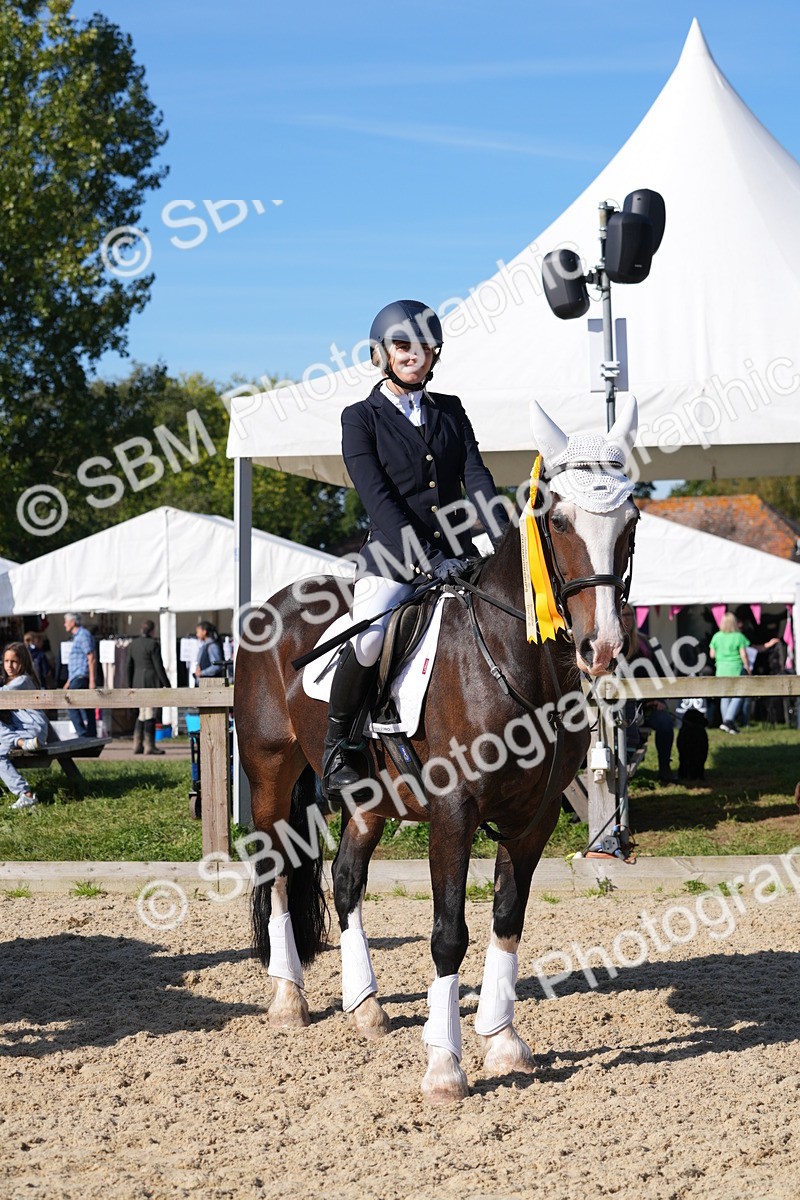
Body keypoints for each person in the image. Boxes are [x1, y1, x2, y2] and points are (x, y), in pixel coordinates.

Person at [322, 299, 509, 795]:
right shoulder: (359, 418)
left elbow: (477, 477)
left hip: (459, 556)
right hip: (392, 559)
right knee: (369, 637)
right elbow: (378, 498)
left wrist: (506, 541)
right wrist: (428, 561)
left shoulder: (449, 410)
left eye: (422, 347)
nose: (412, 355)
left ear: (434, 354)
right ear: (382, 353)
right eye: (401, 345)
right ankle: (340, 745)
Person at [620, 605, 676, 783]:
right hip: (618, 708)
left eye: (628, 615)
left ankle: (664, 768)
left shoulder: (650, 643)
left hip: (648, 705)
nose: (625, 619)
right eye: (620, 615)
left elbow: (666, 676)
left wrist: (658, 699)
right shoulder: (609, 647)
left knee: (666, 724)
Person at [709, 613, 778, 734]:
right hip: (735, 669)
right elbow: (744, 655)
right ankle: (728, 721)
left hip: (721, 670)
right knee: (739, 695)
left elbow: (712, 654)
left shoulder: (716, 636)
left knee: (725, 698)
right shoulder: (738, 636)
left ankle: (727, 724)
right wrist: (748, 668)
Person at [1, 642, 50, 810]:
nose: (9, 666)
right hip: (24, 732)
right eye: (6, 661)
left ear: (23, 662)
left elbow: (3, 694)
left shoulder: (22, 680)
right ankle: (26, 795)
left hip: (32, 729)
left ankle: (24, 793)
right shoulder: (14, 681)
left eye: (13, 661)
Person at [127, 619, 171, 755]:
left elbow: (129, 666)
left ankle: (137, 744)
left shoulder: (133, 644)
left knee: (142, 714)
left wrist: (130, 685)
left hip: (137, 682)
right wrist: (167, 685)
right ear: (152, 630)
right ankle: (149, 746)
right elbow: (158, 666)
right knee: (150, 714)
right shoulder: (153, 644)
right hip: (151, 681)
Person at [63, 613, 97, 737]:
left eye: (66, 621)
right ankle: (90, 734)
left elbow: (91, 657)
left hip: (81, 676)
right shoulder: (78, 636)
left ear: (73, 622)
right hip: (76, 677)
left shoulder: (83, 635)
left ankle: (83, 734)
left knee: (71, 704)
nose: (64, 624)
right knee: (86, 705)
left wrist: (92, 680)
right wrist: (68, 682)